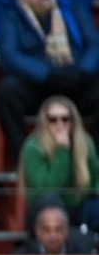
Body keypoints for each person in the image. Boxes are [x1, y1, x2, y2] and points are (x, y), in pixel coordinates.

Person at [0, 0, 99, 160]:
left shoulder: (72, 7)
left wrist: (83, 72)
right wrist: (46, 74)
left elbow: (94, 44)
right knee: (7, 90)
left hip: (76, 80)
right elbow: (9, 55)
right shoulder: (11, 15)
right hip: (39, 85)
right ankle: (25, 161)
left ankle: (93, 160)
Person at [19, 96, 99, 231]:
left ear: (73, 122)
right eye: (53, 119)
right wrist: (62, 151)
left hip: (78, 205)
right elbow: (49, 189)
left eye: (65, 119)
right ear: (45, 122)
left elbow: (96, 177)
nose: (60, 123)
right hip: (45, 209)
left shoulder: (85, 143)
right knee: (52, 205)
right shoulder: (33, 148)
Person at [15, 196, 94, 255]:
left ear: (67, 231)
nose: (53, 235)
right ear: (37, 232)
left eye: (58, 229)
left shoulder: (82, 254)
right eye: (46, 230)